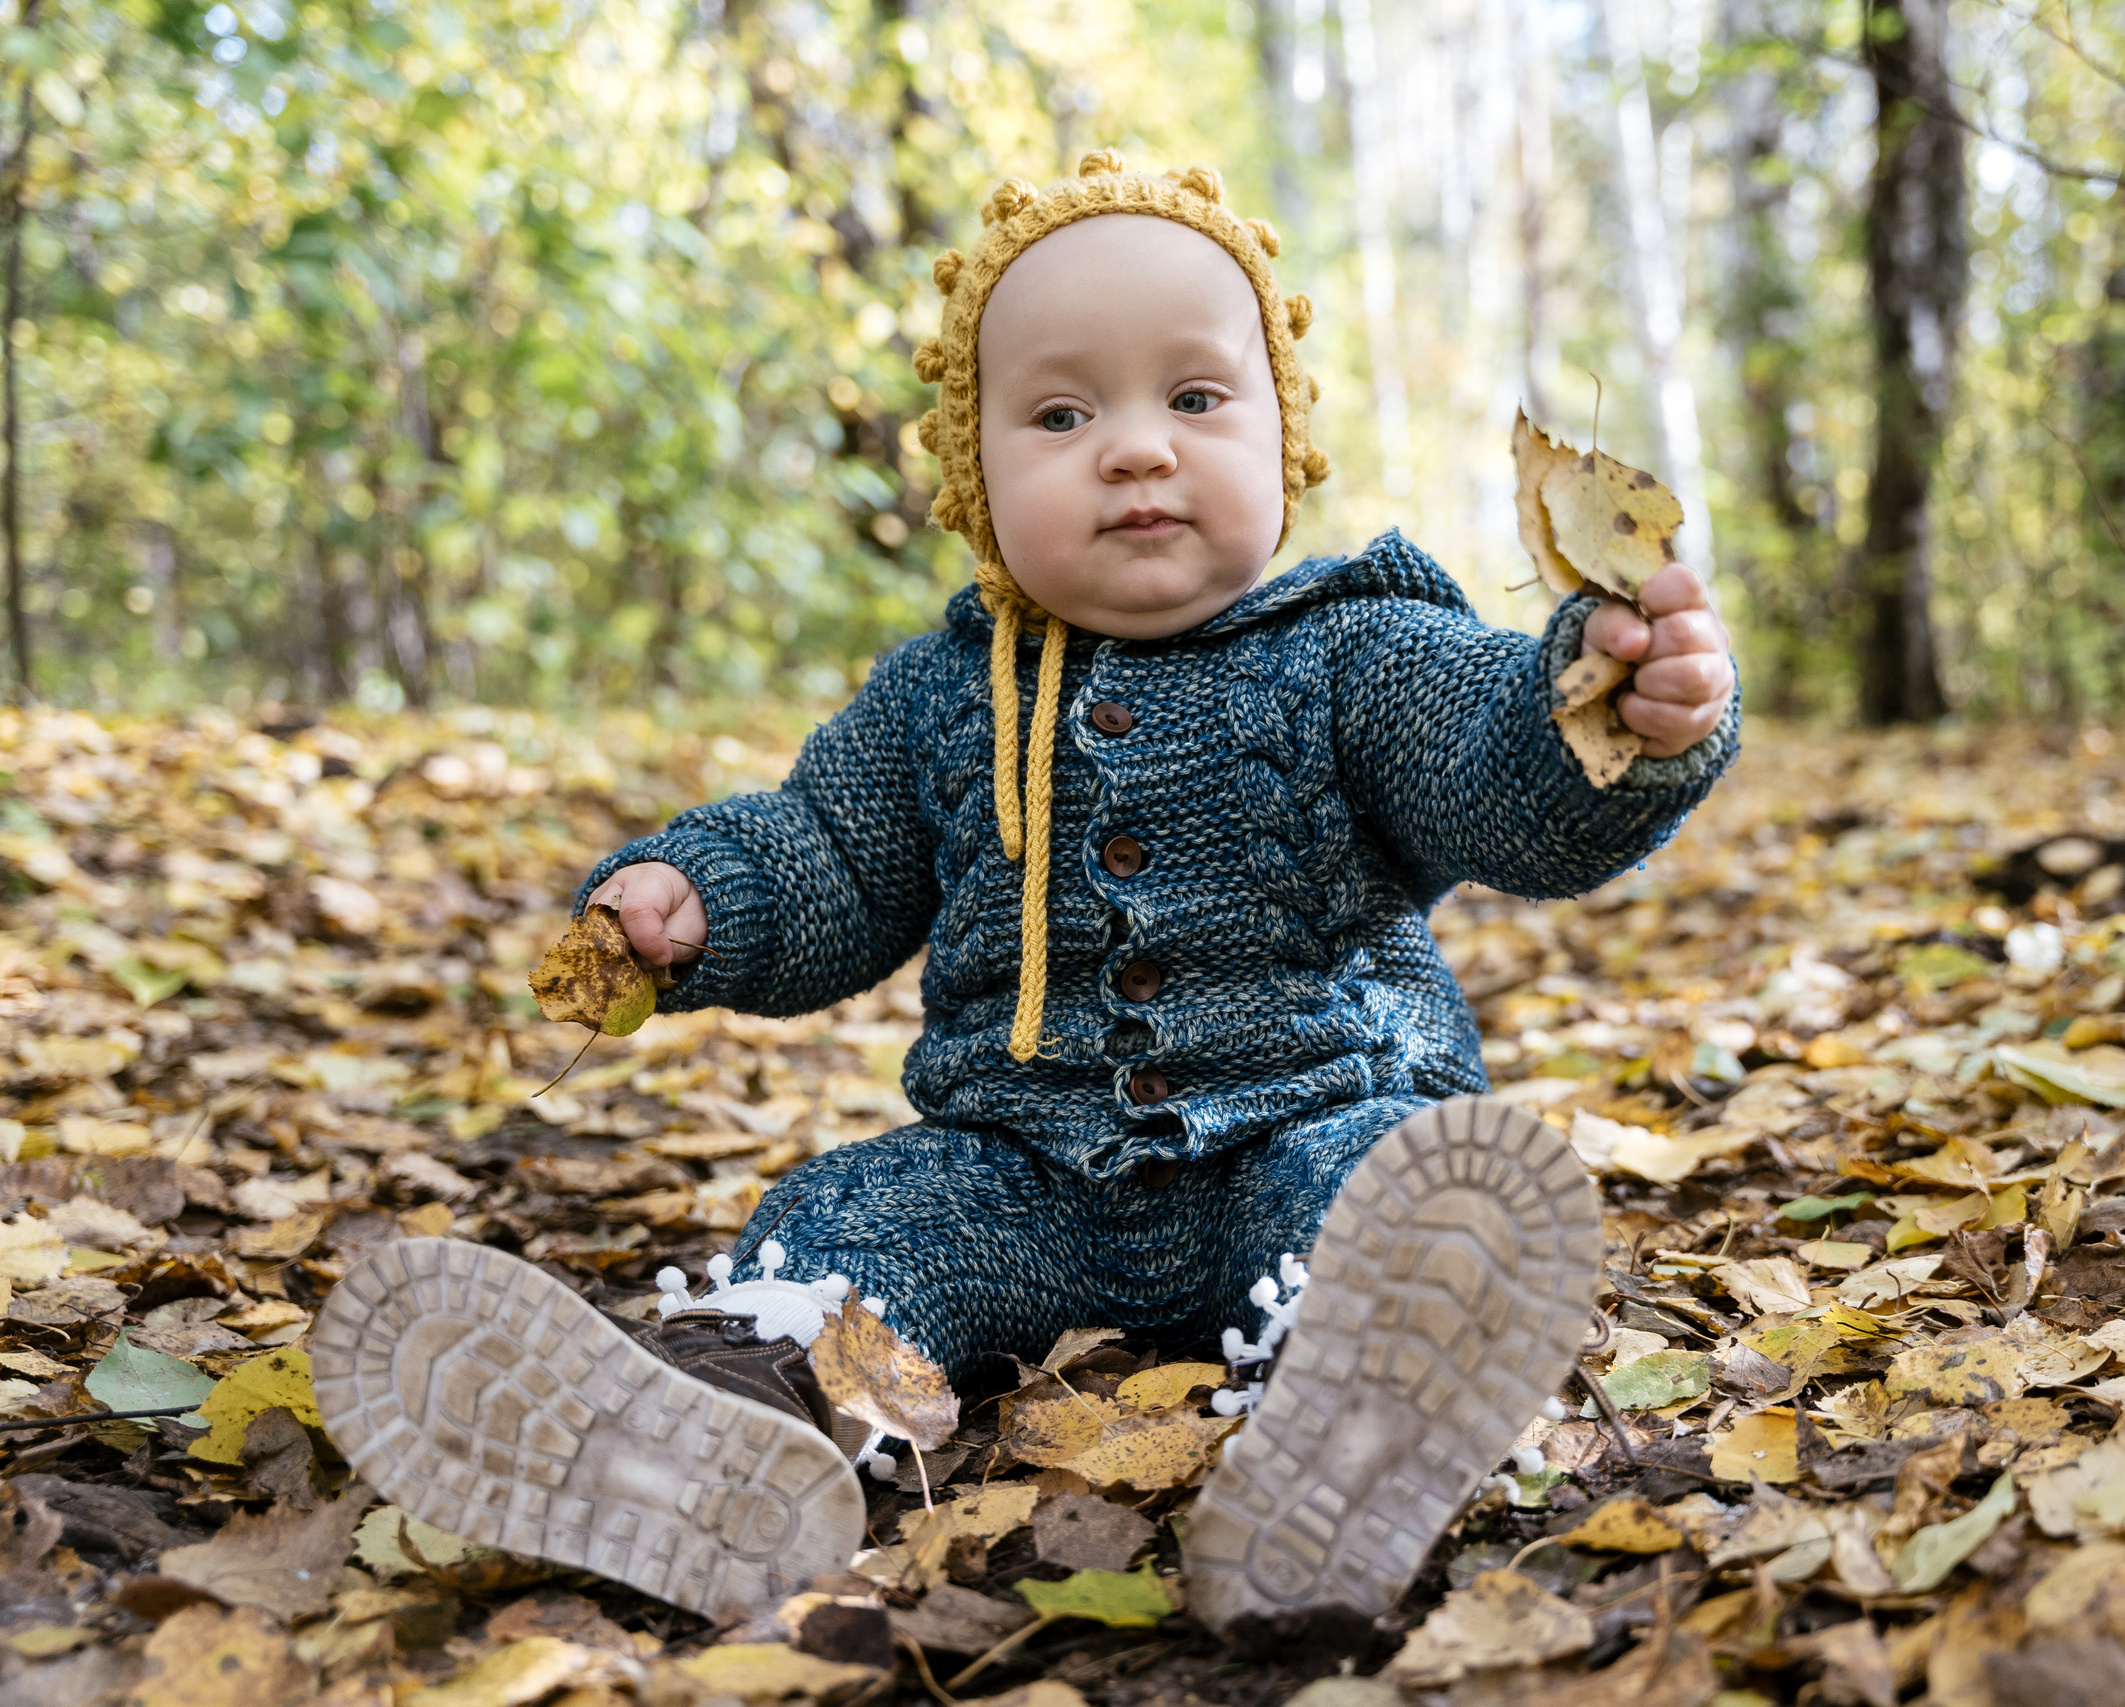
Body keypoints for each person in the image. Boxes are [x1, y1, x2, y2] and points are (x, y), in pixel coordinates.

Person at [310, 154, 1739, 1631]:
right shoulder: (943, 695)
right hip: (1023, 1182)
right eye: (1063, 415)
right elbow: (832, 856)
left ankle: (1361, 1417)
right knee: (852, 1212)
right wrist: (704, 892)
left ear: (1283, 433)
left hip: (1307, 1125)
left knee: (1394, 1182)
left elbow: (1496, 782)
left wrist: (1605, 714)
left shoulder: (1356, 649)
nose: (1135, 450)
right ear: (972, 472)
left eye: (1194, 399)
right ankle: (745, 1431)